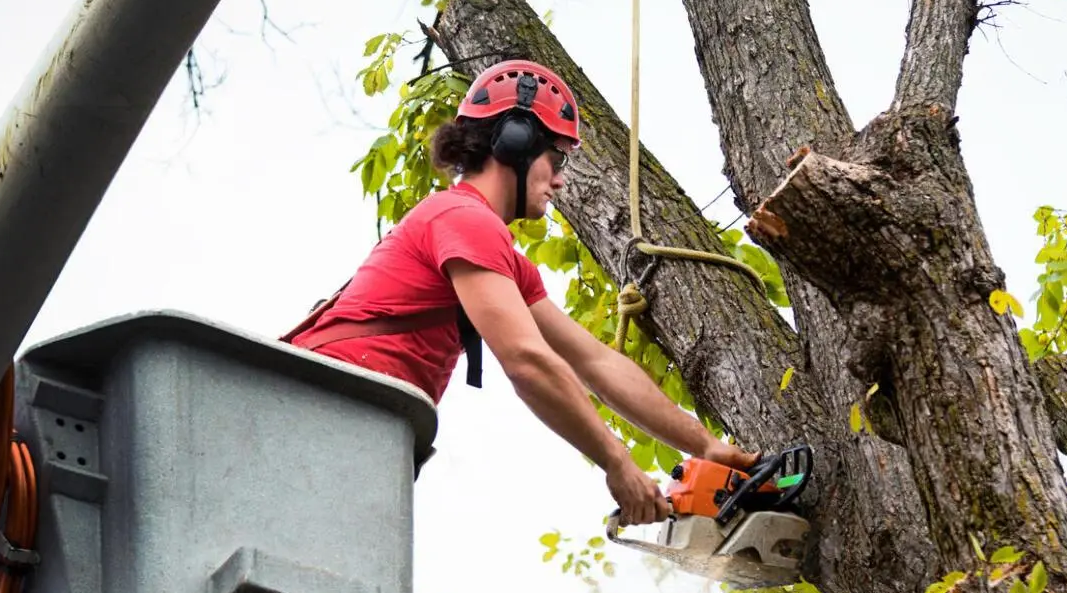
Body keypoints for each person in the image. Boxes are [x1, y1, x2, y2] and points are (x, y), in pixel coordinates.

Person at [286, 59, 754, 526]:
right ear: (516, 141)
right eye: (557, 159)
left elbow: (596, 362)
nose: (560, 179)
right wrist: (616, 461)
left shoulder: (498, 256)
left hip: (354, 420)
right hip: (316, 409)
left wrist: (705, 446)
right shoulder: (463, 219)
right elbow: (527, 360)